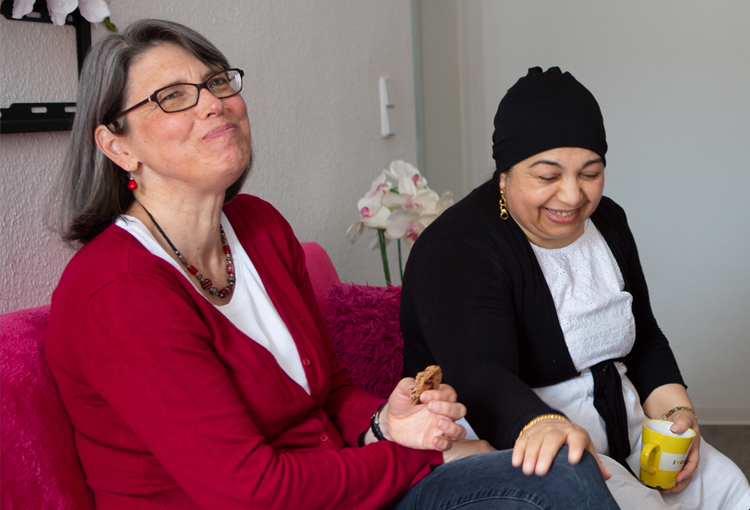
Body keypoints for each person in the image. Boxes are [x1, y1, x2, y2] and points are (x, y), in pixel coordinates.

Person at [44, 22, 620, 510]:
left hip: (341, 485)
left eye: (217, 81)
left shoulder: (257, 228)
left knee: (560, 462)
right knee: (559, 477)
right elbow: (249, 492)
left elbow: (330, 391)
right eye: (173, 96)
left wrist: (388, 422)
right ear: (118, 146)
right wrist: (411, 455)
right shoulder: (119, 292)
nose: (214, 102)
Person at [400, 66, 750, 510]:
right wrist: (546, 425)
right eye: (547, 176)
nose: (571, 196)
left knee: (730, 487)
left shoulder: (609, 221)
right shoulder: (459, 245)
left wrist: (679, 417)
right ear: (504, 174)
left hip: (627, 429)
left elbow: (643, 338)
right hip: (528, 443)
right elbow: (480, 377)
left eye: (590, 173)